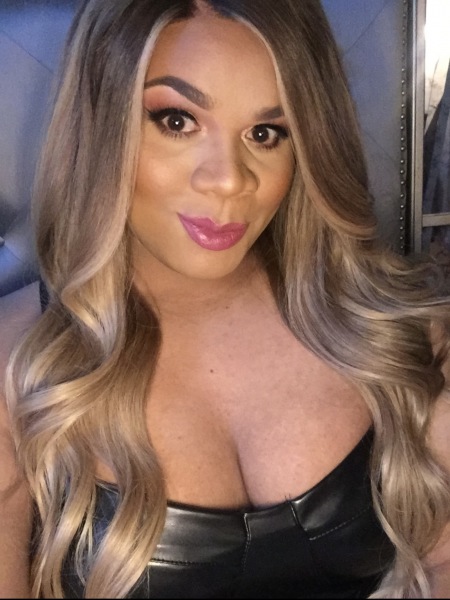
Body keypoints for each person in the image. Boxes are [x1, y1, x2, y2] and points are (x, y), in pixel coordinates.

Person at [0, 0, 449, 597]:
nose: (231, 178)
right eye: (177, 121)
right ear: (101, 125)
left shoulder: (390, 329)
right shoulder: (18, 368)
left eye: (266, 133)